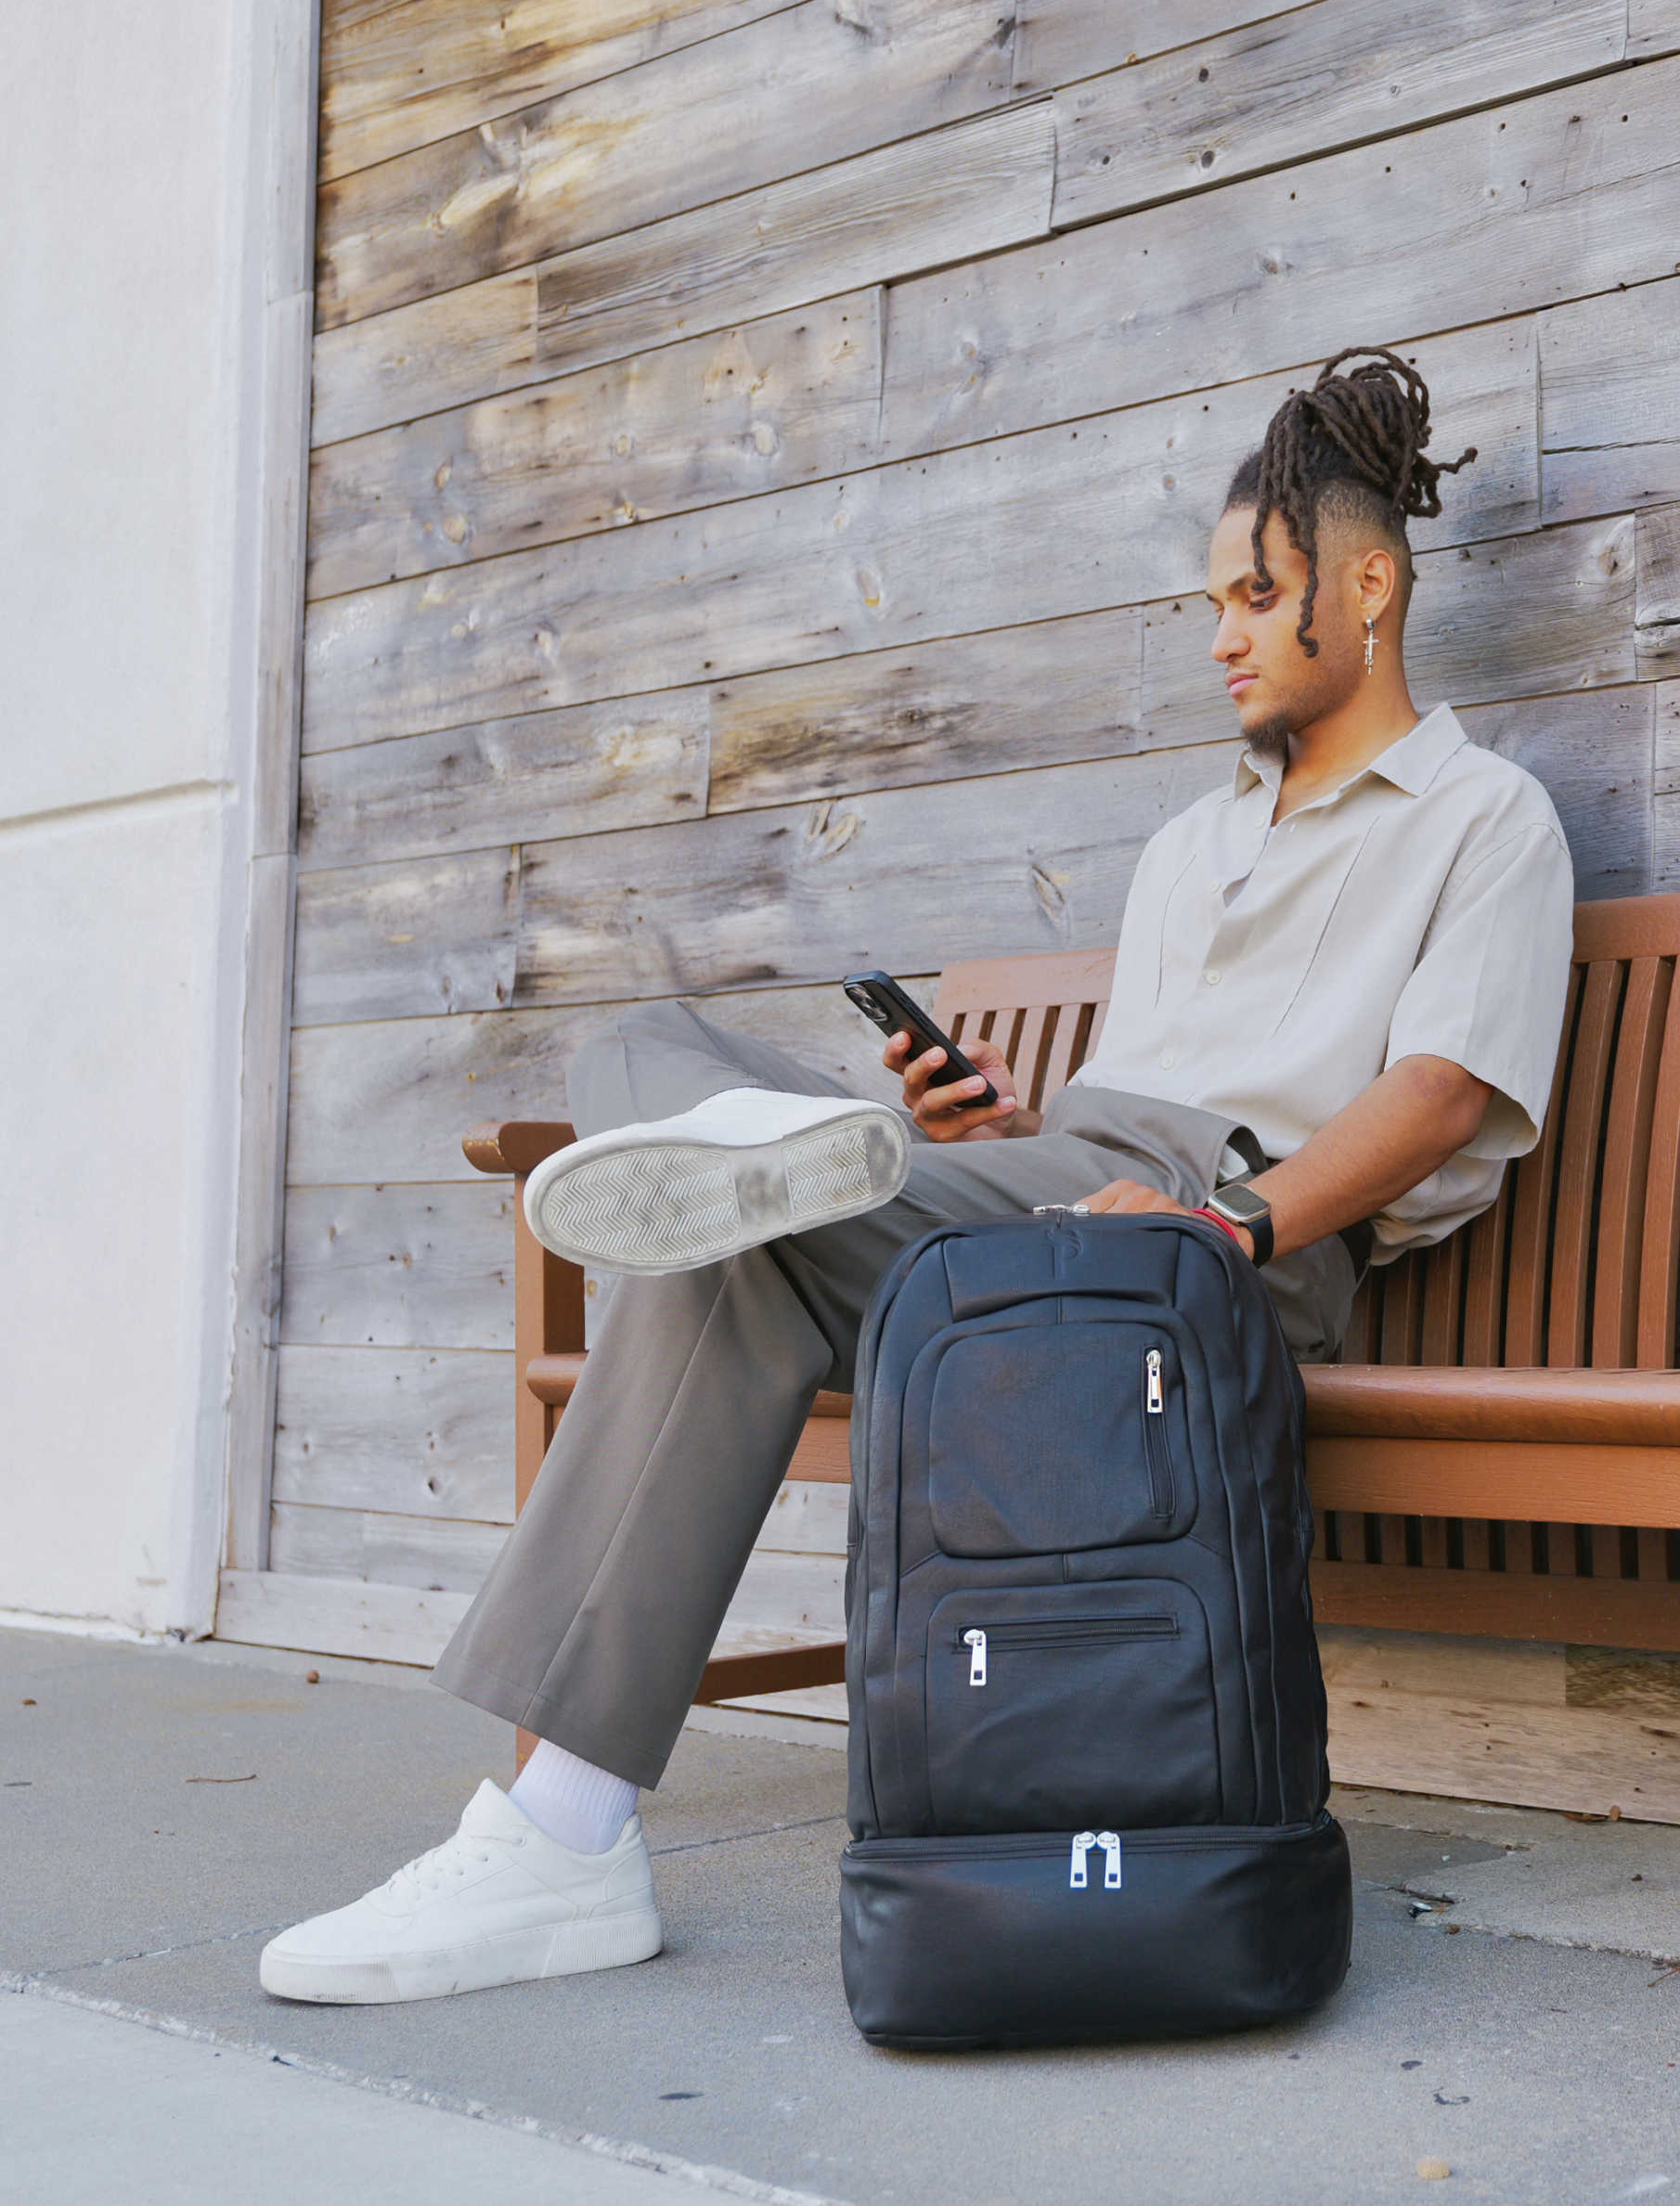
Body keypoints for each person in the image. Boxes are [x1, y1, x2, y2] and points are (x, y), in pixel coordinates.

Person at [259, 346, 1577, 2005]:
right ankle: (791, 1168)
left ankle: (559, 1834)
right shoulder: (1193, 844)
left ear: (1367, 587)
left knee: (740, 1249)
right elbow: (1115, 1111)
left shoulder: (1481, 820)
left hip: (1228, 1248)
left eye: (1256, 592)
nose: (1223, 632)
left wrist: (1225, 1220)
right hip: (1072, 1190)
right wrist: (981, 1130)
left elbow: (1442, 1092)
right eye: (1213, 601)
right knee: (645, 1051)